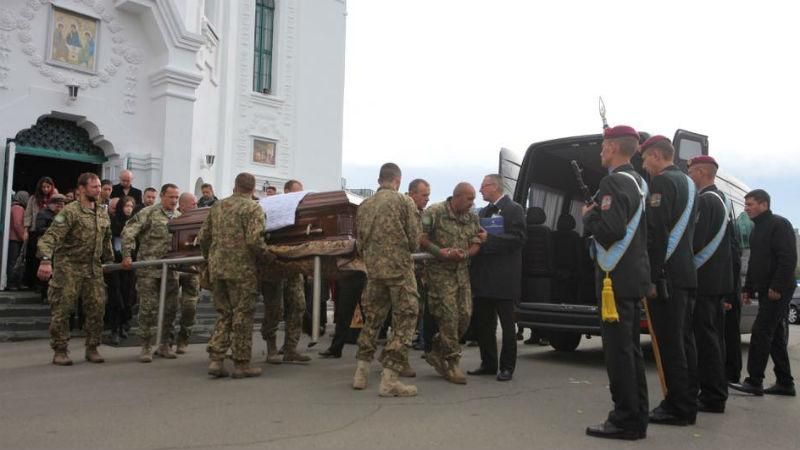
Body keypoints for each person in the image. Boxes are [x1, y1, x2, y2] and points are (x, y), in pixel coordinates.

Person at [582, 125, 650, 440]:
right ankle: (636, 416)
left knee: (618, 351)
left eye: (602, 147)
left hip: (615, 279)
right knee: (630, 350)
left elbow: (611, 231)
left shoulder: (613, 181)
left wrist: (589, 216)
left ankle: (624, 420)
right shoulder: (638, 182)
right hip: (632, 276)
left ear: (612, 147)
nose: (600, 152)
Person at [640, 135, 699, 426]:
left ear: (655, 155)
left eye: (644, 159)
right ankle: (688, 400)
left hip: (666, 276)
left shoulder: (662, 182)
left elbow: (656, 232)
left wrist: (651, 276)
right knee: (685, 341)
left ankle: (677, 407)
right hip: (685, 273)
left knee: (669, 344)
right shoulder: (689, 183)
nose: (644, 165)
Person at [352, 163, 420, 397]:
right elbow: (414, 241)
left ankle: (361, 373)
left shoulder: (364, 205)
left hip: (374, 272)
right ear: (397, 181)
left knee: (372, 320)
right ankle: (390, 379)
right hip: (399, 272)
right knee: (405, 320)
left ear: (379, 180)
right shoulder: (404, 202)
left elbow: (359, 243)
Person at [199, 172, 276, 378]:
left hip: (217, 268)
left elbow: (203, 237)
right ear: (253, 188)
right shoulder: (253, 208)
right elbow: (254, 241)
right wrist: (268, 257)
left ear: (235, 186)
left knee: (224, 313)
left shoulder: (218, 206)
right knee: (243, 314)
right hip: (242, 270)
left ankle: (216, 359)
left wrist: (210, 258)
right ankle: (242, 364)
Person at [36, 173, 113, 366]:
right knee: (63, 309)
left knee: (97, 308)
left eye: (99, 186)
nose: (98, 190)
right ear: (82, 189)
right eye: (94, 187)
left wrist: (109, 260)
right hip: (68, 267)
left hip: (93, 269)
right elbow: (50, 237)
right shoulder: (69, 212)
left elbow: (106, 238)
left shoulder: (102, 212)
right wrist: (45, 260)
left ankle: (92, 348)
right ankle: (60, 350)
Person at [730, 189, 797, 396]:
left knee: (760, 332)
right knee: (775, 335)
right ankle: (785, 383)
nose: (746, 208)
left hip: (777, 290)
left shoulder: (779, 225)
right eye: (745, 204)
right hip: (765, 290)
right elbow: (754, 262)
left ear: (764, 205)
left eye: (750, 204)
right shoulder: (756, 230)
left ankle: (754, 381)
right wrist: (748, 288)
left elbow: (788, 258)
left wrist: (777, 287)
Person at [419, 183, 483, 384]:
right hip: (440, 275)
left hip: (462, 274)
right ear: (457, 197)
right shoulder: (435, 212)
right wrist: (440, 252)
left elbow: (477, 242)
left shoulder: (472, 217)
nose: (472, 203)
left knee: (465, 316)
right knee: (449, 317)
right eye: (470, 199)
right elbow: (421, 238)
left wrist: (467, 252)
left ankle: (436, 349)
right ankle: (452, 363)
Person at [687, 155, 734, 413]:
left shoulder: (706, 200)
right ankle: (715, 392)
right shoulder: (722, 200)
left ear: (702, 172)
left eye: (691, 172)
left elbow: (696, 241)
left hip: (705, 281)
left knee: (705, 341)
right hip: (716, 281)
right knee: (714, 339)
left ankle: (712, 396)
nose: (689, 177)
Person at [469, 174, 526, 382]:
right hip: (484, 277)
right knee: (484, 324)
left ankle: (507, 367)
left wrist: (490, 238)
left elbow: (519, 238)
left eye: (483, 186)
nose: (480, 190)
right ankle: (488, 363)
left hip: (504, 277)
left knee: (508, 326)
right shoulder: (483, 212)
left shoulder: (514, 209)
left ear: (494, 186)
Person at [121, 184, 182, 363]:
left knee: (170, 308)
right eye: (171, 197)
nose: (174, 201)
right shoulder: (149, 213)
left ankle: (165, 344)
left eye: (176, 197)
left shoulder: (179, 217)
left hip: (171, 271)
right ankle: (146, 346)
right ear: (162, 196)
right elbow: (128, 232)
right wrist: (127, 255)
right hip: (149, 270)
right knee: (148, 309)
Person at [407, 179, 434, 352]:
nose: (427, 199)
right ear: (412, 194)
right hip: (406, 269)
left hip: (421, 270)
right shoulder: (404, 213)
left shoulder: (424, 214)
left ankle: (422, 338)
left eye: (428, 195)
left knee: (423, 307)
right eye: (424, 195)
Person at [106, 196, 137, 345]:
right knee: (116, 297)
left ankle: (124, 324)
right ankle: (114, 329)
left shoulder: (134, 223)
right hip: (115, 264)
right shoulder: (112, 222)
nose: (128, 209)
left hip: (130, 265)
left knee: (128, 295)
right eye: (126, 206)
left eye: (131, 206)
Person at [174, 192, 200, 354]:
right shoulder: (173, 219)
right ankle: (166, 341)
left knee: (190, 306)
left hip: (192, 269)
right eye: (193, 204)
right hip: (173, 268)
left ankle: (183, 338)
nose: (196, 206)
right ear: (182, 205)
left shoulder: (199, 220)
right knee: (170, 306)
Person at [24, 177, 57, 288]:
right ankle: (34, 283)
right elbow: (28, 215)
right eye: (43, 187)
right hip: (35, 230)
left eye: (48, 187)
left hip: (50, 230)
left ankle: (46, 284)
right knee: (34, 257)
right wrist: (26, 230)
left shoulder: (54, 198)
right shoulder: (33, 199)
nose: (46, 189)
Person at [5, 191, 29, 291]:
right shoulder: (18, 208)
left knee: (15, 261)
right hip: (15, 239)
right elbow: (17, 224)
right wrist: (23, 237)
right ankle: (12, 283)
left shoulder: (13, 207)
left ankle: (15, 283)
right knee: (14, 262)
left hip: (14, 238)